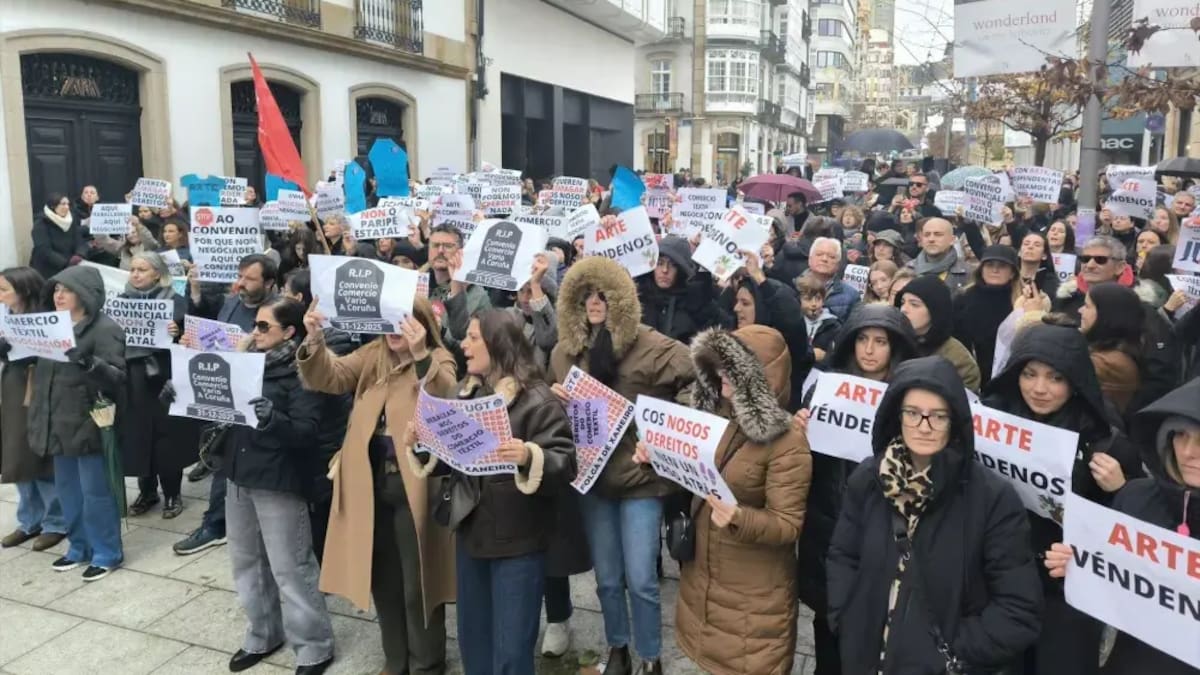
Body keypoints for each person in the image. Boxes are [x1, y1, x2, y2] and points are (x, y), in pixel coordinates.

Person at [827, 356, 1043, 674]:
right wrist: (847, 618)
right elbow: (844, 555)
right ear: (896, 416)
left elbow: (1019, 609)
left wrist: (949, 650)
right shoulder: (868, 479)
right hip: (867, 659)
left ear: (954, 421)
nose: (923, 427)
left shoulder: (991, 498)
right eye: (913, 414)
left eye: (937, 417)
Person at [410, 310, 577, 675]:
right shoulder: (464, 394)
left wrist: (529, 456)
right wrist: (423, 445)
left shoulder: (538, 400)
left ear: (498, 344)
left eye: (473, 338)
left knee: (512, 649)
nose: (463, 345)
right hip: (472, 536)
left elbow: (565, 464)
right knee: (475, 642)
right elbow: (452, 460)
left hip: (519, 543)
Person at [550, 256, 694, 675]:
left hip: (640, 481)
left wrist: (663, 437)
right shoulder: (564, 352)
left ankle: (650, 656)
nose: (594, 303)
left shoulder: (653, 345)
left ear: (620, 298)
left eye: (602, 294)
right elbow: (551, 412)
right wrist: (555, 403)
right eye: (585, 295)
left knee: (643, 580)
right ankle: (618, 648)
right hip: (593, 481)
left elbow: (696, 384)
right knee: (608, 579)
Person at [297, 297, 456, 675]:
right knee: (383, 579)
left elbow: (447, 393)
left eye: (402, 322)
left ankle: (426, 663)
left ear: (419, 325)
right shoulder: (373, 354)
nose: (393, 331)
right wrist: (315, 339)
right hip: (369, 484)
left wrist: (420, 356)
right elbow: (328, 377)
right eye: (387, 322)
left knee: (418, 583)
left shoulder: (437, 357)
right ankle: (395, 659)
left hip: (413, 487)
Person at [641, 326, 812, 674]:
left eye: (731, 369)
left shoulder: (789, 443)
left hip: (753, 599)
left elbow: (788, 525)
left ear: (760, 379)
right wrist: (659, 459)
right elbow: (694, 477)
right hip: (706, 581)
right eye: (718, 367)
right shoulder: (714, 417)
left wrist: (738, 516)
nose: (721, 376)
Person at [984, 322, 1141, 675]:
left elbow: (1138, 533)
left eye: (1055, 378)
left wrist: (1122, 488)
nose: (1039, 389)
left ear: (1075, 381)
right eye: (1029, 374)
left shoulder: (1106, 440)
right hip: (1002, 580)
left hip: (1069, 594)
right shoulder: (994, 423)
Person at [1044, 378, 1200, 674]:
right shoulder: (1136, 496)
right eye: (1181, 435)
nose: (1189, 451)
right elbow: (1110, 584)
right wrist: (1076, 567)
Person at [795, 304, 919, 675]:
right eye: (863, 339)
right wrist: (799, 429)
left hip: (885, 532)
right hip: (828, 525)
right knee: (828, 621)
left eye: (880, 341)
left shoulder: (913, 397)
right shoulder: (825, 388)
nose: (869, 349)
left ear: (894, 347)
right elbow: (802, 463)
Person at [220, 297, 334, 674]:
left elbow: (308, 432)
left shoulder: (302, 373)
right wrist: (186, 399)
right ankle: (263, 632)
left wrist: (274, 420)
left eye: (264, 326)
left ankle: (313, 646)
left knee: (290, 566)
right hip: (239, 474)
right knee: (246, 562)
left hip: (279, 479)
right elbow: (222, 414)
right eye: (255, 324)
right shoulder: (242, 363)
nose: (255, 332)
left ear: (288, 332)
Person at [175, 253, 280, 555]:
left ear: (270, 283)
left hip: (257, 398)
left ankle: (219, 523)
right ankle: (217, 521)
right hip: (224, 394)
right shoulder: (231, 302)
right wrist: (193, 343)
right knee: (222, 460)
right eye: (240, 276)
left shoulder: (277, 311)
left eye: (250, 279)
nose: (240, 283)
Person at [27, 265, 127, 580]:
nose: (59, 295)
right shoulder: (49, 325)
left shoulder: (104, 328)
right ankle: (78, 547)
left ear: (85, 294)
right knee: (69, 490)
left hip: (89, 421)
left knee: (96, 492)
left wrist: (88, 362)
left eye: (66, 290)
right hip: (56, 419)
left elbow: (117, 378)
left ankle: (106, 552)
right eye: (56, 289)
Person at [120, 252, 193, 519]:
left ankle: (172, 493)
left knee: (166, 439)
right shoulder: (122, 301)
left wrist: (179, 332)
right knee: (138, 436)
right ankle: (147, 490)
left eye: (142, 269)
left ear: (157, 274)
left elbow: (192, 339)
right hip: (134, 378)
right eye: (133, 269)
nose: (136, 274)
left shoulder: (175, 301)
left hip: (164, 377)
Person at [0, 267, 67, 551]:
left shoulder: (45, 319)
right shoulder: (6, 315)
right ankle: (30, 519)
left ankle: (56, 521)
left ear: (24, 290)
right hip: (13, 385)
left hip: (38, 385)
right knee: (17, 453)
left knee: (40, 454)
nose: (0, 295)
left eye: (4, 289)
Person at [720, 251, 814, 411]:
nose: (736, 308)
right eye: (737, 302)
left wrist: (760, 278)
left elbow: (790, 319)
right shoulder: (733, 340)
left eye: (745, 303)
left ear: (764, 308)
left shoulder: (788, 346)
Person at [953, 245, 1048, 385]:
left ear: (1012, 273)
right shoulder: (962, 298)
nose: (995, 270)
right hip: (971, 372)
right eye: (990, 265)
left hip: (1011, 374)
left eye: (1002, 266)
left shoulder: (1025, 300)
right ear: (981, 270)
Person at [896, 276, 982, 391]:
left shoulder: (959, 360)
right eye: (902, 302)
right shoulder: (893, 341)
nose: (904, 309)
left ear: (934, 310)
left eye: (914, 304)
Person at [637, 236, 718, 344]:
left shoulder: (696, 304)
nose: (665, 270)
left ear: (681, 270)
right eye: (660, 263)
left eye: (673, 265)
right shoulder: (638, 298)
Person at [1079, 283, 1144, 415]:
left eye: (1087, 306)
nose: (1080, 310)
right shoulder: (1111, 350)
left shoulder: (1106, 363)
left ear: (1106, 315)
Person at [1053, 235, 1137, 318]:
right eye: (1085, 259)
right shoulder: (1067, 297)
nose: (1090, 265)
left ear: (1120, 267)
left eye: (1100, 260)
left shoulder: (1137, 302)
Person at [30, 193, 87, 280]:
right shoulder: (41, 223)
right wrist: (65, 263)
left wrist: (79, 254)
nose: (67, 207)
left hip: (69, 268)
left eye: (68, 204)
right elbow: (43, 250)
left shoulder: (70, 220)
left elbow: (79, 240)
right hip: (47, 270)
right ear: (53, 206)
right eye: (63, 204)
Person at [907, 217, 971, 294]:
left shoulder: (969, 273)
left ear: (952, 240)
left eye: (938, 234)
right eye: (926, 235)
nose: (931, 239)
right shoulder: (908, 269)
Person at [805, 237, 861, 321]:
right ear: (810, 259)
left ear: (838, 264)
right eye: (819, 254)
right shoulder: (793, 288)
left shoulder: (852, 296)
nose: (824, 259)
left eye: (831, 257)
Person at [798, 272, 841, 362]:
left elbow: (837, 356)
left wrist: (826, 356)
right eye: (808, 299)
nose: (814, 304)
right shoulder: (793, 322)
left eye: (818, 298)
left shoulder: (833, 326)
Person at [1017, 231, 1060, 299]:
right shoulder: (1010, 276)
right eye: (1026, 244)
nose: (1030, 247)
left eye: (1037, 245)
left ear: (1044, 255)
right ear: (1019, 252)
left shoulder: (1050, 283)